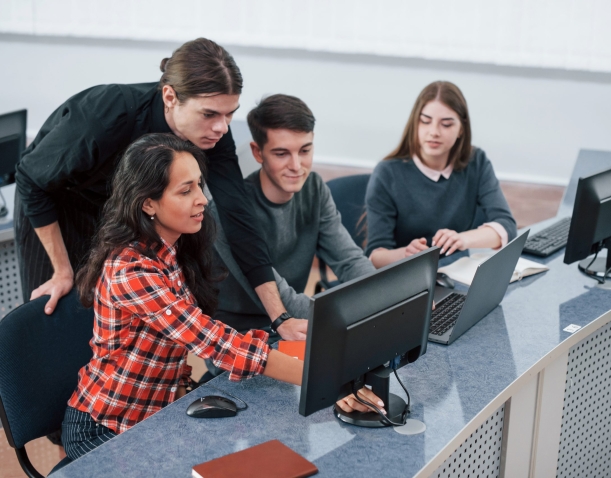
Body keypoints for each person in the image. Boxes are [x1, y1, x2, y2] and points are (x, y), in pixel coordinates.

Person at [61, 134, 383, 460]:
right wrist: (330, 380)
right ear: (148, 203)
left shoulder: (174, 247)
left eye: (199, 185)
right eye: (185, 191)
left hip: (160, 411)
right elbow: (215, 342)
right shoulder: (132, 272)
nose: (202, 199)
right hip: (108, 425)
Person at [14, 37, 305, 343]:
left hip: (119, 212)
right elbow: (31, 179)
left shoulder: (213, 135)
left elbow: (239, 220)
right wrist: (62, 270)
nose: (222, 126)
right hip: (54, 204)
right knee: (57, 322)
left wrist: (280, 317)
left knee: (117, 327)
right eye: (209, 114)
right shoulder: (108, 114)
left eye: (229, 113)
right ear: (169, 96)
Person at [205, 94, 375, 342]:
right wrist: (359, 311)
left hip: (293, 322)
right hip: (239, 334)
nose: (297, 166)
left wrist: (385, 296)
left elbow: (349, 261)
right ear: (258, 152)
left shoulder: (314, 188)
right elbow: (281, 297)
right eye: (282, 153)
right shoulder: (227, 210)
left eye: (305, 151)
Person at [365, 81, 517, 268]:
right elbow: (374, 257)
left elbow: (507, 227)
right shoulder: (387, 173)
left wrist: (462, 240)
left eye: (446, 124)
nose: (434, 132)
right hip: (405, 276)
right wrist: (406, 253)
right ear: (415, 124)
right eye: (425, 121)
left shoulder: (476, 161)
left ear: (461, 129)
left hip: (457, 272)